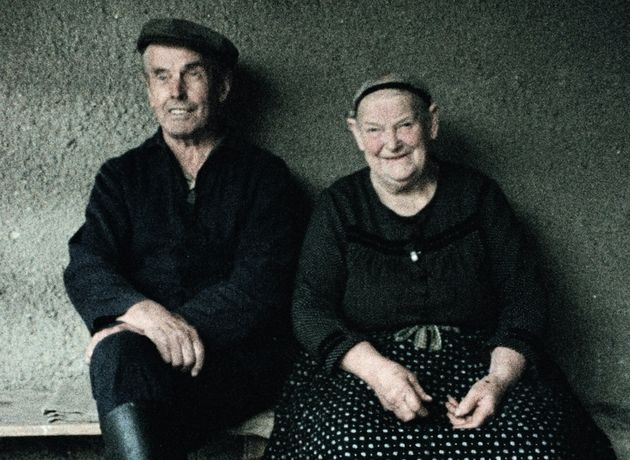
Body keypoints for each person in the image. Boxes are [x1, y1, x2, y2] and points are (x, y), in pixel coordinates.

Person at [263, 74, 616, 459]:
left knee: (535, 447)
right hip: (368, 369)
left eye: (405, 125)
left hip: (480, 362)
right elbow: (310, 308)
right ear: (356, 133)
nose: (391, 143)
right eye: (374, 130)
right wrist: (378, 372)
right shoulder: (340, 204)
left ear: (431, 123)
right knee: (342, 448)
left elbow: (525, 297)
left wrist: (498, 380)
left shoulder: (477, 195)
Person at [64, 18, 303, 459]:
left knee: (122, 361)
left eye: (191, 74)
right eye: (161, 76)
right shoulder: (123, 176)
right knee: (118, 358)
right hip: (146, 362)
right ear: (148, 88)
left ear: (223, 87)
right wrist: (145, 316)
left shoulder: (264, 177)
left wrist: (155, 330)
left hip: (235, 362)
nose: (175, 91)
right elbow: (87, 263)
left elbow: (260, 283)